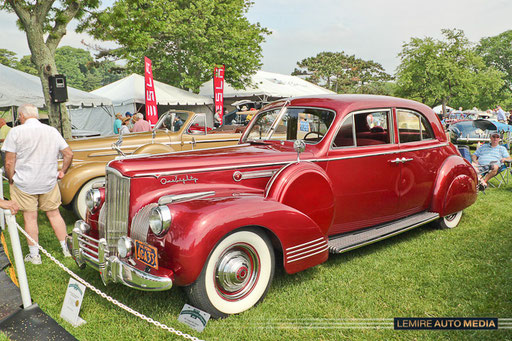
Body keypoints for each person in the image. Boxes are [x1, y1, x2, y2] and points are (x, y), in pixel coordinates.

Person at [2, 104, 73, 265]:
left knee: (30, 217)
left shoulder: (16, 131)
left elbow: (9, 161)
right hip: (48, 180)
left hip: (25, 181)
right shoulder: (51, 131)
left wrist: (11, 178)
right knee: (54, 214)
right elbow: (68, 153)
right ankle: (66, 249)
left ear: (21, 116)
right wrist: (63, 172)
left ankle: (35, 256)